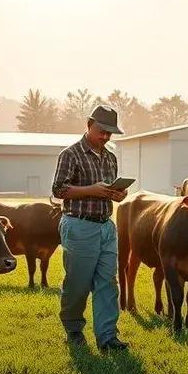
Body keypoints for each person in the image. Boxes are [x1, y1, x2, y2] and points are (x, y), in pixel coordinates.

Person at [52, 105, 129, 352]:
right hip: (79, 226)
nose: (105, 137)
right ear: (89, 124)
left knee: (108, 282)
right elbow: (58, 190)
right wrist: (91, 190)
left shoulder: (110, 157)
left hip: (106, 227)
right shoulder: (70, 154)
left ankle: (107, 337)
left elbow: (109, 192)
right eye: (101, 131)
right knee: (78, 283)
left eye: (110, 133)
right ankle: (74, 330)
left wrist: (118, 194)